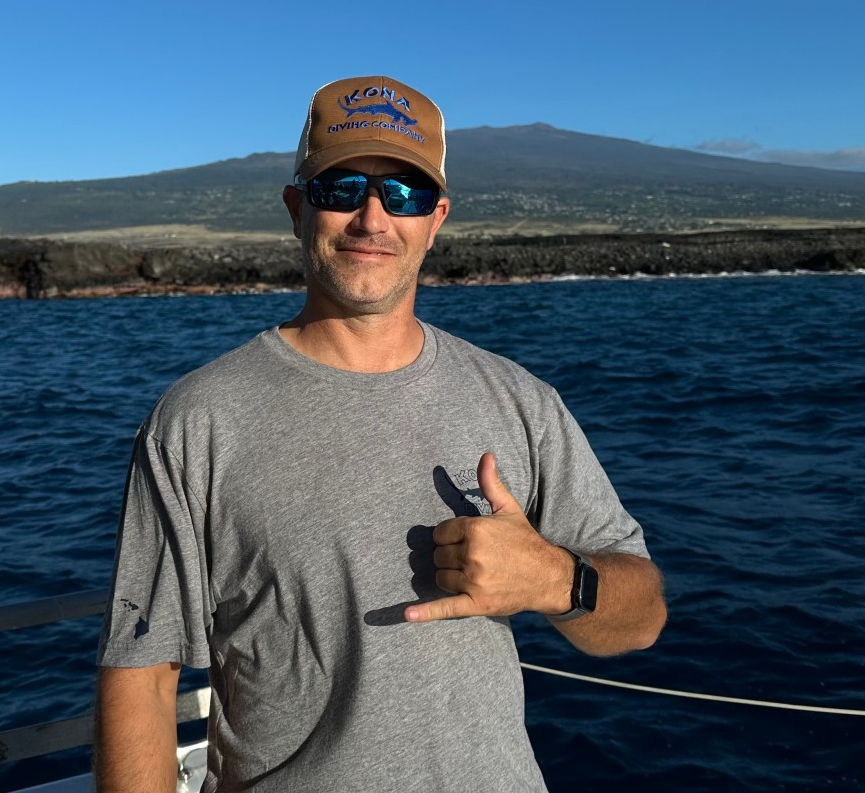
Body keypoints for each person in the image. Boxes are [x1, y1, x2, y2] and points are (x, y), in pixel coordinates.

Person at [94, 75, 667, 793]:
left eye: (405, 194)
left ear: (438, 218)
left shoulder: (522, 402)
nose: (373, 218)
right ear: (297, 208)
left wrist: (556, 580)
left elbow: (641, 616)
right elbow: (141, 673)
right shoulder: (195, 423)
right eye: (343, 189)